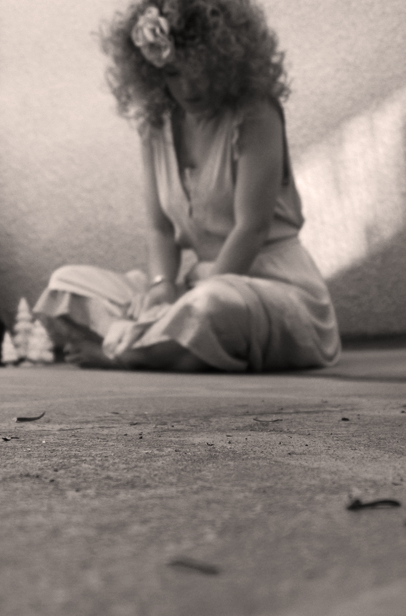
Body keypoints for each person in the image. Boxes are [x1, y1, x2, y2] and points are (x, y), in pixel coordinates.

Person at [33, 0, 341, 372]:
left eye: (200, 71)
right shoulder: (155, 123)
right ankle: (165, 344)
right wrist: (162, 286)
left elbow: (252, 228)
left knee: (210, 307)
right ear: (153, 68)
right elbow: (159, 228)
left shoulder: (256, 113)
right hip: (193, 286)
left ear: (226, 62)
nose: (188, 87)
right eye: (174, 72)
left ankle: (128, 352)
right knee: (66, 285)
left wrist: (183, 302)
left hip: (270, 289)